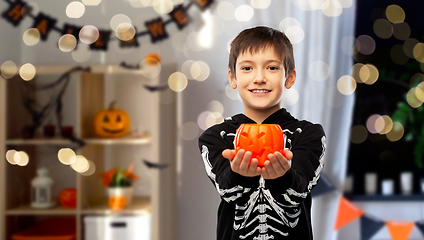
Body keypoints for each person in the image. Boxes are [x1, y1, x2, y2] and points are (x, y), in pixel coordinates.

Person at [198, 26, 326, 240]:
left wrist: (282, 178)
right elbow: (227, 191)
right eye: (247, 68)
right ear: (232, 78)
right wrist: (238, 175)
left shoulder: (309, 134)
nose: (259, 78)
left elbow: (299, 191)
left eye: (272, 68)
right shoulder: (215, 137)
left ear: (290, 78)